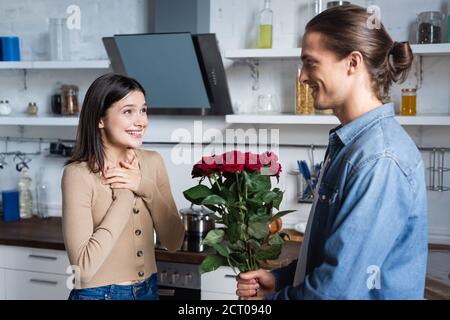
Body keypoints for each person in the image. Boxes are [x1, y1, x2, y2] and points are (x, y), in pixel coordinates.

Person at [236, 4, 428, 300]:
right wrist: (282, 279)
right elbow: (339, 257)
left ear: (352, 62)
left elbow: (337, 291)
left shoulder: (380, 158)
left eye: (311, 63)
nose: (302, 78)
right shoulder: (354, 145)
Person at [62, 73, 185, 300]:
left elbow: (174, 241)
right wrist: (125, 194)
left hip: (148, 290)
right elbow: (83, 268)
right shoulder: (78, 174)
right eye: (128, 111)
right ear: (101, 118)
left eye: (143, 110)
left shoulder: (153, 162)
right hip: (99, 294)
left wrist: (143, 185)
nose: (141, 121)